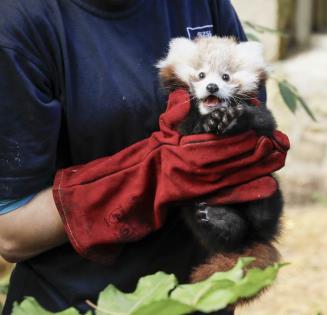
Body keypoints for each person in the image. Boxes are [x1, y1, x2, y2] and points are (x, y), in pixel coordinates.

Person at [0, 1, 272, 314]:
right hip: (82, 302)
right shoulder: (19, 24)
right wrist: (153, 176)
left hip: (200, 296)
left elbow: (252, 116)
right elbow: (11, 233)